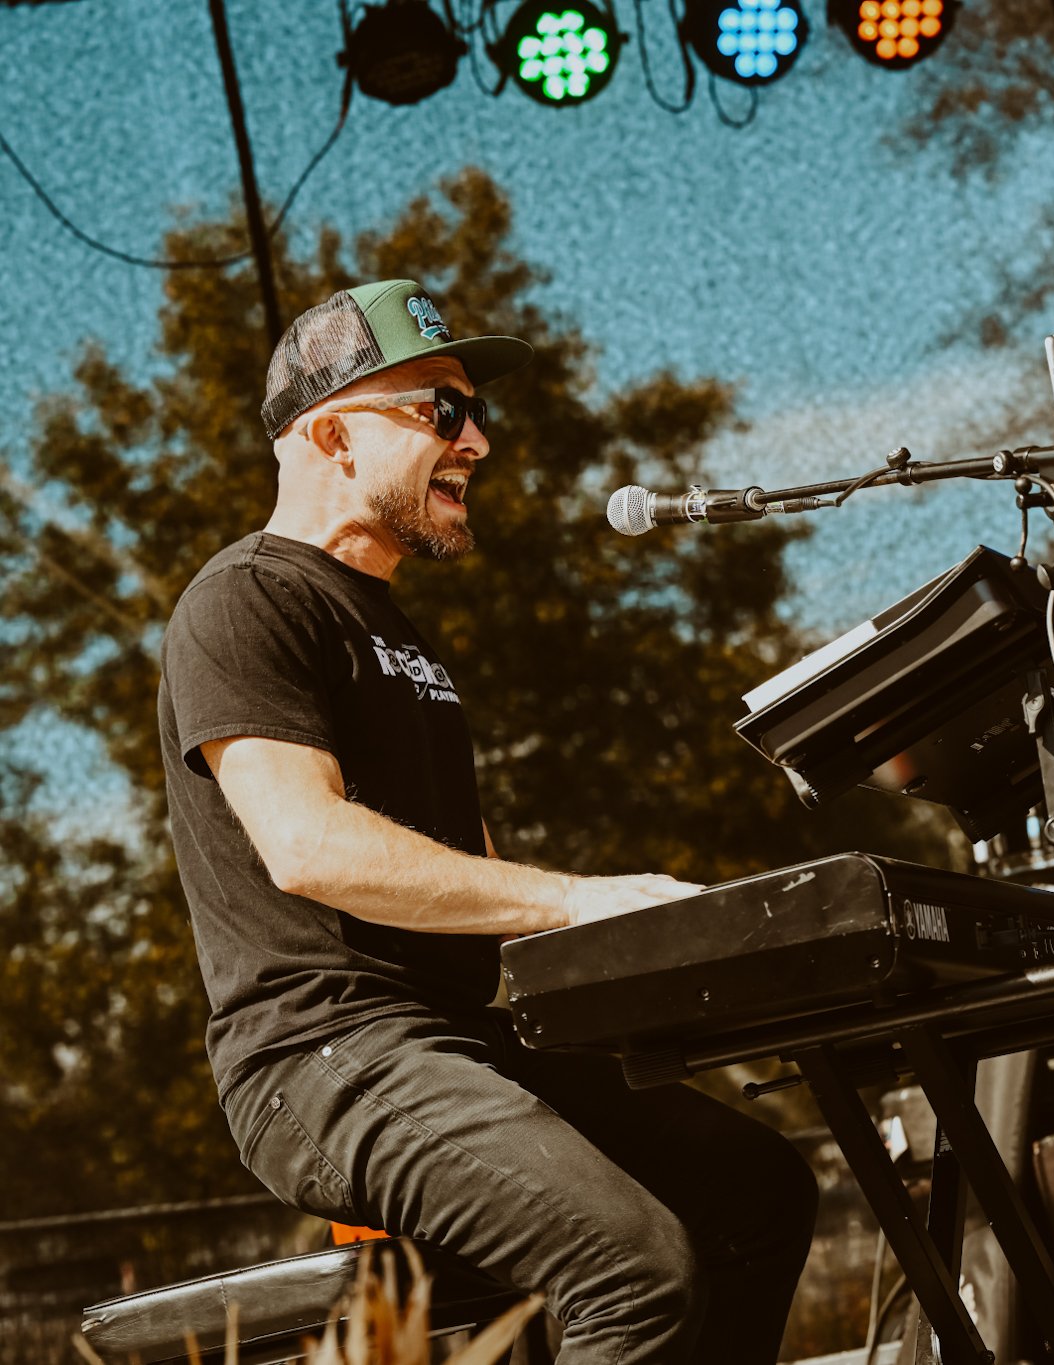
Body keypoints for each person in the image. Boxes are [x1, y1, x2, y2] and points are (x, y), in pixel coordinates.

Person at [156, 280, 817, 1363]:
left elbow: (466, 880)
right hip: (322, 1057)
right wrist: (579, 895)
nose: (482, 442)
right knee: (633, 1269)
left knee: (757, 1191)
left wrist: (675, 955)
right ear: (330, 432)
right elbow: (308, 845)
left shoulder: (397, 633)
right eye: (443, 411)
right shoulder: (243, 602)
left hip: (452, 1043)